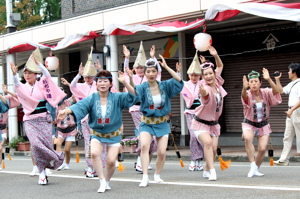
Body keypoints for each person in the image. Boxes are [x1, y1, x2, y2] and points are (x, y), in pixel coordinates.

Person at [57, 70, 138, 193]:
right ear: (96, 84)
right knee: (94, 154)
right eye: (99, 81)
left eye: (105, 81)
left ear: (110, 83)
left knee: (111, 161)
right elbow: (80, 106)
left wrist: (125, 83)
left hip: (113, 135)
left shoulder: (117, 97)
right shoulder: (92, 98)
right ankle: (101, 180)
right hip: (97, 134)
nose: (102, 83)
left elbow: (134, 96)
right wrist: (65, 111)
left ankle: (106, 181)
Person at [126, 54, 183, 187]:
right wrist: (129, 78)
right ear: (145, 73)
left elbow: (179, 81)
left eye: (153, 71)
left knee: (162, 152)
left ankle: (157, 175)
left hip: (162, 122)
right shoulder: (143, 87)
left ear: (157, 72)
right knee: (145, 146)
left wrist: (166, 67)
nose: (151, 74)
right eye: (148, 71)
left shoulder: (165, 85)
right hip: (146, 122)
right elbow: (134, 92)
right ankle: (145, 176)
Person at [10, 47, 66, 185]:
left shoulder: (42, 84)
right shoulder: (23, 87)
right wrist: (14, 74)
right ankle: (43, 170)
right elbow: (16, 84)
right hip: (30, 120)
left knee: (46, 145)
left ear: (36, 74)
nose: (27, 75)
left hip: (43, 119)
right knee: (35, 145)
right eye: (26, 73)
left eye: (30, 73)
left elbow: (47, 75)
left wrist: (40, 65)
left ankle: (45, 170)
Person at [123, 43, 161, 172]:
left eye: (141, 67)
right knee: (144, 135)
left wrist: (153, 58)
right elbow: (125, 73)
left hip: (149, 110)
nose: (139, 69)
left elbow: (158, 72)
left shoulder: (149, 78)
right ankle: (140, 161)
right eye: (137, 67)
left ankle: (143, 160)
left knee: (152, 137)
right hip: (136, 110)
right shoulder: (131, 77)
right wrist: (127, 58)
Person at [69, 49, 108, 177]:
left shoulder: (99, 85)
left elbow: (110, 86)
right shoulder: (81, 86)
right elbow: (72, 86)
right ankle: (90, 167)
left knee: (100, 141)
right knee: (88, 142)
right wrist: (78, 75)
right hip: (86, 120)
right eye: (86, 76)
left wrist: (101, 70)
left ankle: (100, 166)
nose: (87, 78)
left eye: (90, 76)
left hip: (99, 118)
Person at [190, 46, 226, 181]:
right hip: (200, 123)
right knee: (208, 144)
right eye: (205, 74)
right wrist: (203, 92)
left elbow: (220, 65)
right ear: (202, 77)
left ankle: (206, 170)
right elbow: (204, 95)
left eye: (211, 73)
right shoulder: (203, 87)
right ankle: (212, 171)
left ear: (214, 74)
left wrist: (215, 55)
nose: (209, 76)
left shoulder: (217, 82)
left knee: (214, 150)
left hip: (213, 124)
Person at [242, 69, 281, 177]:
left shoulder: (265, 92)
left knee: (262, 149)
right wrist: (244, 89)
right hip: (249, 123)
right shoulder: (248, 93)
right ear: (248, 83)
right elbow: (244, 97)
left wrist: (269, 79)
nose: (253, 84)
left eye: (256, 81)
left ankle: (256, 169)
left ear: (260, 83)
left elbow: (276, 92)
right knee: (248, 139)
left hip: (263, 124)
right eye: (251, 82)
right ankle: (252, 166)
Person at [177, 52, 204, 171]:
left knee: (201, 137)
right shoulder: (185, 84)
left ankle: (199, 160)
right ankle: (194, 160)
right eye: (191, 75)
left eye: (196, 75)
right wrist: (178, 72)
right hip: (190, 113)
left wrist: (204, 65)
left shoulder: (202, 84)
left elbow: (210, 78)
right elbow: (177, 82)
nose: (193, 77)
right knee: (193, 136)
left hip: (201, 114)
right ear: (188, 75)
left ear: (199, 76)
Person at [274, 63, 300, 166]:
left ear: (294, 72)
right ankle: (284, 159)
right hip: (291, 112)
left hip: (296, 111)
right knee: (287, 136)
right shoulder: (292, 84)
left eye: (289, 71)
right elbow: (280, 91)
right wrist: (277, 79)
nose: (288, 72)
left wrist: (292, 110)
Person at [55, 95, 77, 170]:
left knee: (67, 149)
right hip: (60, 129)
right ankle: (60, 163)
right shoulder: (55, 106)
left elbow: (74, 96)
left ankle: (67, 164)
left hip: (70, 129)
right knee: (58, 144)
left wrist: (69, 84)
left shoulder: (68, 102)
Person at [0, 85, 20, 167]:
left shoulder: (4, 98)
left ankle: (0, 164)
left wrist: (6, 92)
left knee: (0, 148)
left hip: (2, 128)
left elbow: (18, 98)